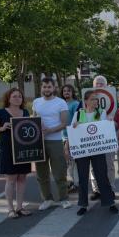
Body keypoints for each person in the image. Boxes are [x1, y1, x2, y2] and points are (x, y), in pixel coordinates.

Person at [0, 88, 32, 219]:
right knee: (11, 179)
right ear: (8, 98)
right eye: (14, 96)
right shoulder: (1, 112)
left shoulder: (25, 112)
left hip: (23, 149)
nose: (17, 98)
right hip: (7, 149)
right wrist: (1, 127)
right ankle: (10, 209)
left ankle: (20, 207)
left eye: (19, 96)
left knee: (22, 178)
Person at [71, 90, 118, 215]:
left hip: (97, 150)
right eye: (92, 99)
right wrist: (75, 126)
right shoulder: (78, 114)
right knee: (83, 178)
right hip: (82, 151)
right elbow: (72, 133)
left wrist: (110, 121)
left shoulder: (101, 113)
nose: (95, 101)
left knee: (102, 176)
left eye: (96, 99)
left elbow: (106, 128)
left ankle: (110, 202)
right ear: (85, 101)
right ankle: (83, 205)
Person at [32, 78, 71, 210]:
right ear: (41, 88)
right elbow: (34, 119)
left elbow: (64, 123)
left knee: (59, 171)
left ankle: (64, 198)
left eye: (49, 87)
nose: (46, 89)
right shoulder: (36, 102)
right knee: (41, 173)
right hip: (39, 141)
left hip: (55, 140)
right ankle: (47, 199)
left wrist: (49, 131)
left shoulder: (61, 103)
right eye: (44, 87)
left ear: (54, 88)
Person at [89, 75, 117, 201]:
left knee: (109, 164)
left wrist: (112, 120)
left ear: (106, 86)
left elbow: (117, 119)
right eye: (97, 83)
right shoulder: (87, 99)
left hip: (107, 138)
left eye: (101, 83)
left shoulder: (113, 101)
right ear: (93, 85)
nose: (99, 85)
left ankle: (110, 187)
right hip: (92, 138)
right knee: (93, 165)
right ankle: (96, 190)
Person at [61, 84, 80, 193]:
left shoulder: (76, 104)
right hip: (62, 136)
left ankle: (75, 183)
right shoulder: (61, 104)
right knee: (67, 162)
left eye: (69, 91)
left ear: (72, 92)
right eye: (64, 91)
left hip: (72, 137)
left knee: (73, 161)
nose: (66, 93)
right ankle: (72, 182)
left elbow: (75, 123)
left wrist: (69, 139)